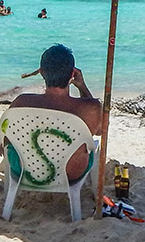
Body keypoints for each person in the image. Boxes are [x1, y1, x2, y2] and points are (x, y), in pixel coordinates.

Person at [8, 44, 102, 181]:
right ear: (73, 74)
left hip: (27, 170)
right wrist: (82, 86)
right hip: (72, 172)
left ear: (41, 73)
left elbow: (7, 137)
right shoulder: (91, 108)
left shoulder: (21, 103)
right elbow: (100, 131)